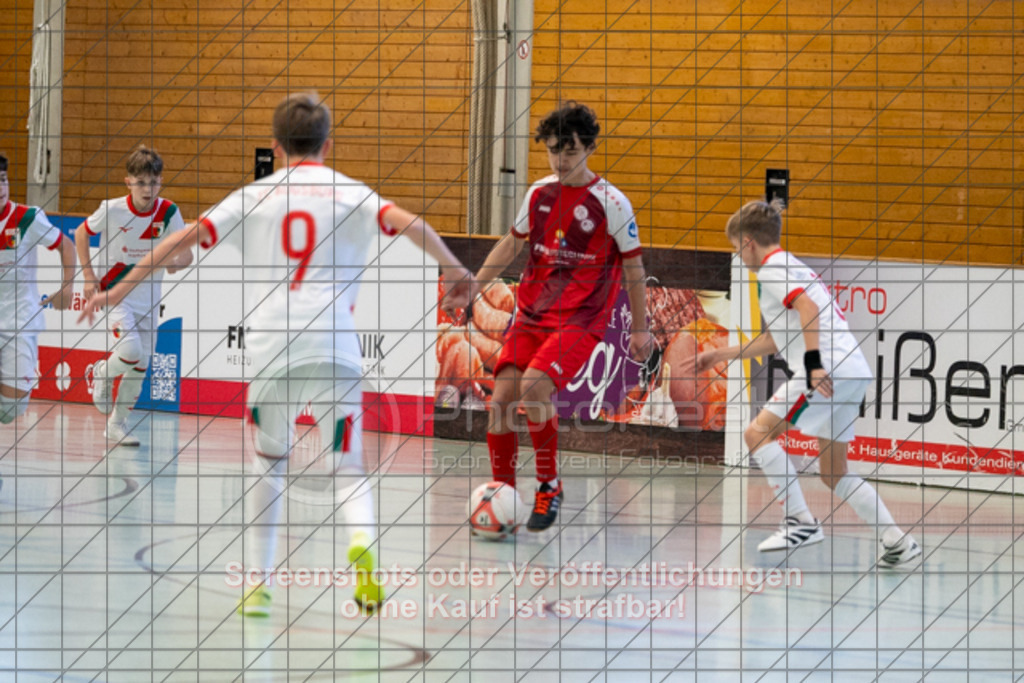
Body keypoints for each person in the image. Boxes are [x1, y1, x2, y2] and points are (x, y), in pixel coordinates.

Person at [79, 93, 474, 615]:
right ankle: (362, 546)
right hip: (334, 345)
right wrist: (455, 270)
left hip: (271, 349)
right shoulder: (352, 193)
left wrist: (112, 291)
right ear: (328, 145)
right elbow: (413, 225)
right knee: (348, 463)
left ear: (275, 145)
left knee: (269, 466)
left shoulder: (252, 197)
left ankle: (257, 585)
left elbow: (173, 247)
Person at [697, 199, 921, 567]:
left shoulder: (770, 269)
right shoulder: (788, 265)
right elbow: (779, 338)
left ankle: (799, 521)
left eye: (737, 248)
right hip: (850, 370)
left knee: (757, 434)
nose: (738, 256)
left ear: (749, 242)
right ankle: (897, 540)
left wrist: (814, 365)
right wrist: (720, 355)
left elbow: (808, 309)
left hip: (826, 370)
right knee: (834, 473)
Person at [474, 101, 653, 532]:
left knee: (534, 386)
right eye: (554, 151)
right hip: (532, 315)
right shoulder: (538, 192)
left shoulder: (611, 202)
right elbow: (511, 244)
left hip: (581, 320)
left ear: (590, 148)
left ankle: (549, 485)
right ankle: (505, 494)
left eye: (570, 152)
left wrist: (642, 328)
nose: (561, 161)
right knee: (500, 400)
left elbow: (634, 268)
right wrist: (475, 284)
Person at [76, 146, 192, 446]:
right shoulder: (112, 209)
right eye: (140, 182)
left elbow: (186, 257)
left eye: (153, 182)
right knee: (131, 352)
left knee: (140, 367)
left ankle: (116, 425)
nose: (147, 189)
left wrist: (172, 261)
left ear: (161, 182)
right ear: (128, 182)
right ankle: (102, 372)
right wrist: (89, 276)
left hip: (149, 301)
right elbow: (80, 232)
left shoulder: (169, 212)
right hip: (115, 294)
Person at [0, 153, 76, 423]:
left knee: (11, 411)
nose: (1, 188)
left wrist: (67, 286)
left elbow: (66, 245)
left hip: (20, 323)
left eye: (3, 180)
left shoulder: (27, 218)